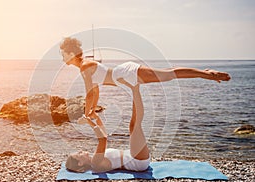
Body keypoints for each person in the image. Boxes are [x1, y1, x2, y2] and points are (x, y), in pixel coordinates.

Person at [60, 37, 231, 172]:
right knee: (166, 76)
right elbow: (95, 93)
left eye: (63, 54)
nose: (62, 57)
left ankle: (205, 74)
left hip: (127, 74)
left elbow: (90, 93)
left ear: (69, 53)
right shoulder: (85, 66)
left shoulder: (84, 66)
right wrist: (90, 113)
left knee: (167, 75)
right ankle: (204, 73)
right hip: (125, 77)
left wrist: (88, 113)